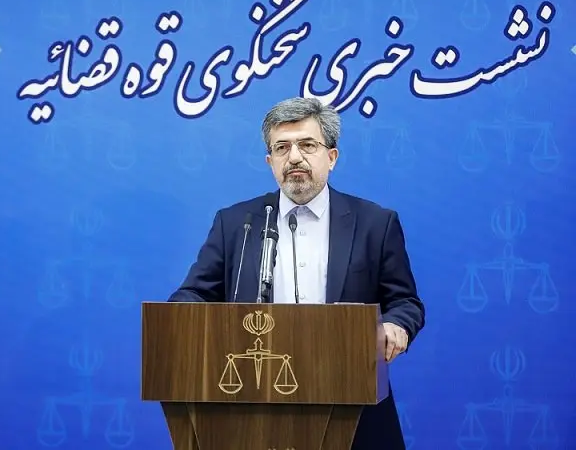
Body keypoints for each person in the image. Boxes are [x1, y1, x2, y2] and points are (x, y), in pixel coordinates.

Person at [168, 97, 425, 450]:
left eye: (307, 145)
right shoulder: (237, 223)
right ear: (270, 161)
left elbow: (405, 302)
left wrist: (396, 326)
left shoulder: (375, 223)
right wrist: (184, 321)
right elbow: (193, 294)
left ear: (331, 157)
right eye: (282, 147)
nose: (294, 157)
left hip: (353, 403)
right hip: (253, 404)